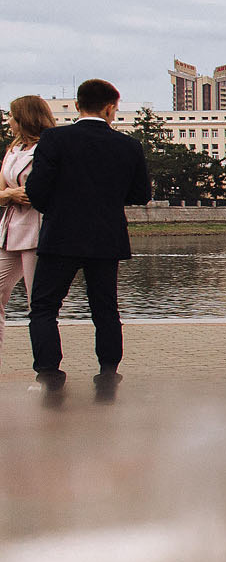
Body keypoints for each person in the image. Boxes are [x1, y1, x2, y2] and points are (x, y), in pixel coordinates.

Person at [26, 79, 152, 395]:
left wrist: (57, 209)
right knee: (106, 310)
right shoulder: (129, 146)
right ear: (110, 107)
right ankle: (108, 376)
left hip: (60, 236)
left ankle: (50, 376)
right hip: (107, 237)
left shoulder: (54, 139)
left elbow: (36, 190)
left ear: (78, 105)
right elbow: (141, 194)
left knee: (44, 308)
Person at [1, 95, 55, 355]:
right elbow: (2, 191)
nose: (8, 121)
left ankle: (46, 370)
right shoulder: (13, 150)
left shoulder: (49, 148)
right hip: (9, 230)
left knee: (39, 303)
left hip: (38, 230)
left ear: (25, 118)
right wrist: (11, 195)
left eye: (12, 116)